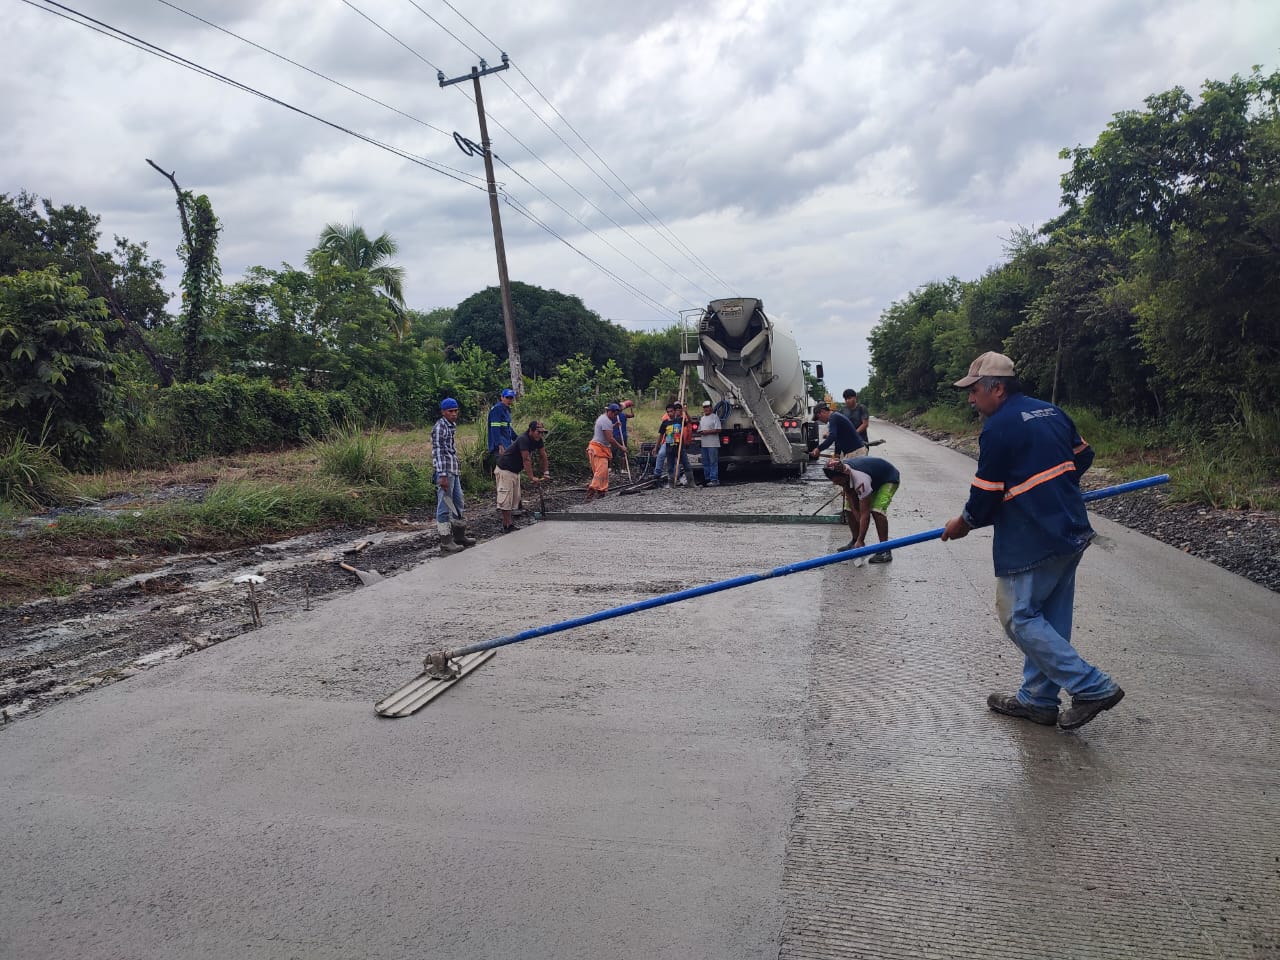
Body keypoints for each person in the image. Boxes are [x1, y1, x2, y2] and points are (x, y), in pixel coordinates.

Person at [940, 351, 1124, 731]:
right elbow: (1083, 456)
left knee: (1019, 618)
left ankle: (1092, 686)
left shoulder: (998, 427)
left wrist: (965, 522)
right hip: (1070, 529)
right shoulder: (1051, 412)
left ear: (998, 388)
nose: (971, 400)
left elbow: (986, 493)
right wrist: (1053, 488)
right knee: (1050, 620)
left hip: (1032, 538)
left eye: (974, 391)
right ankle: (1038, 700)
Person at [823, 455, 900, 560]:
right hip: (872, 478)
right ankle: (855, 541)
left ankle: (885, 550)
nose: (835, 483)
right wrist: (855, 511)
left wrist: (862, 538)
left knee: (877, 511)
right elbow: (850, 495)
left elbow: (865, 513)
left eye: (838, 481)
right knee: (848, 508)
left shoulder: (860, 479)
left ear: (845, 475)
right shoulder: (844, 472)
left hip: (887, 478)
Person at [431, 398, 475, 554]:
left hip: (453, 471)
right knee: (445, 505)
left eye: (456, 411)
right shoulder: (439, 428)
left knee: (458, 502)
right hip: (445, 472)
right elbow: (438, 453)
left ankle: (459, 536)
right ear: (443, 412)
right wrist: (442, 476)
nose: (454, 414)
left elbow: (450, 451)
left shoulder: (451, 426)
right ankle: (445, 540)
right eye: (450, 411)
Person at [496, 420, 550, 532]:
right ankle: (507, 525)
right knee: (505, 498)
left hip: (515, 470)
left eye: (542, 433)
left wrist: (546, 472)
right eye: (538, 432)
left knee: (514, 499)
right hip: (505, 469)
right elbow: (526, 459)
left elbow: (543, 455)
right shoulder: (523, 439)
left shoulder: (538, 440)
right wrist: (532, 477)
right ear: (531, 430)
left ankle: (509, 524)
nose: (540, 435)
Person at [585, 403, 628, 501]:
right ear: (610, 412)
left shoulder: (604, 419)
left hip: (598, 448)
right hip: (597, 449)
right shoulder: (605, 421)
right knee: (601, 471)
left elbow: (605, 430)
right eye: (614, 414)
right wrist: (621, 447)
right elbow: (610, 439)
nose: (615, 416)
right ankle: (592, 490)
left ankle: (601, 491)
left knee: (603, 472)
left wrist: (614, 426)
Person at [652, 401, 694, 486]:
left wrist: (685, 412)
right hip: (669, 447)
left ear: (675, 411)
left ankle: (691, 483)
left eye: (671, 411)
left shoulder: (680, 420)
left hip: (679, 447)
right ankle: (671, 483)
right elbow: (660, 436)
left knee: (686, 465)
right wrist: (656, 447)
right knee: (670, 467)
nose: (669, 413)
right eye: (668, 412)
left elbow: (689, 421)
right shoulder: (665, 423)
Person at [485, 388, 517, 472]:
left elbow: (508, 428)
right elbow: (495, 428)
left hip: (507, 444)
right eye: (507, 398)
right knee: (503, 470)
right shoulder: (497, 409)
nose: (509, 400)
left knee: (508, 469)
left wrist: (518, 439)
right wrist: (499, 445)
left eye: (511, 398)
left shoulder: (506, 410)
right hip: (500, 446)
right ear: (502, 397)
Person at [698, 399, 722, 486]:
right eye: (705, 407)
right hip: (704, 444)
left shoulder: (715, 417)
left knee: (713, 462)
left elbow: (719, 429)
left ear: (711, 408)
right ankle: (707, 478)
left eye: (708, 407)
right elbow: (700, 430)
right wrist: (701, 432)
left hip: (713, 444)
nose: (706, 409)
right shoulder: (702, 418)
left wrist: (706, 432)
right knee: (706, 462)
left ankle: (714, 479)